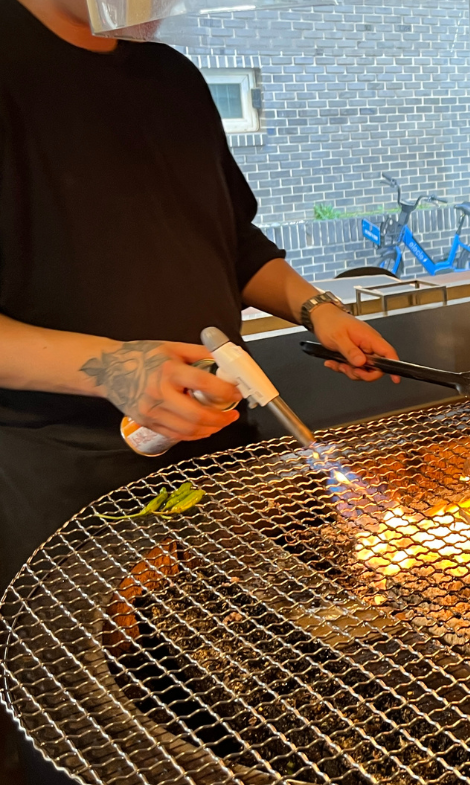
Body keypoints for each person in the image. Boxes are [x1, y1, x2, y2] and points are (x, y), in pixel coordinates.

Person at [0, 0, 404, 587]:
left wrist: (317, 309)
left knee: (246, 645)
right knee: (96, 667)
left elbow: (231, 241)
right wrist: (111, 367)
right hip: (67, 467)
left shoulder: (169, 76)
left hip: (218, 443)